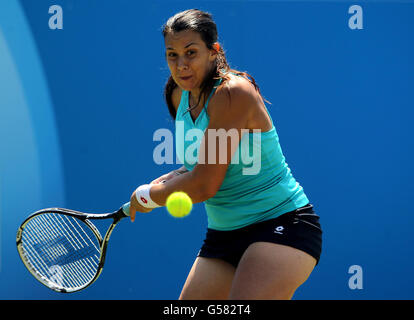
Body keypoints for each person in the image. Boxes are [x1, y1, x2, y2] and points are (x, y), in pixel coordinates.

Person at [128, 9, 322, 300]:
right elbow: (196, 165)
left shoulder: (233, 93)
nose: (181, 65)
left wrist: (149, 196)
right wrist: (156, 186)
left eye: (191, 52)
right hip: (224, 235)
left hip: (282, 224)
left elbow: (205, 184)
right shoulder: (178, 95)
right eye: (172, 55)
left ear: (213, 51)